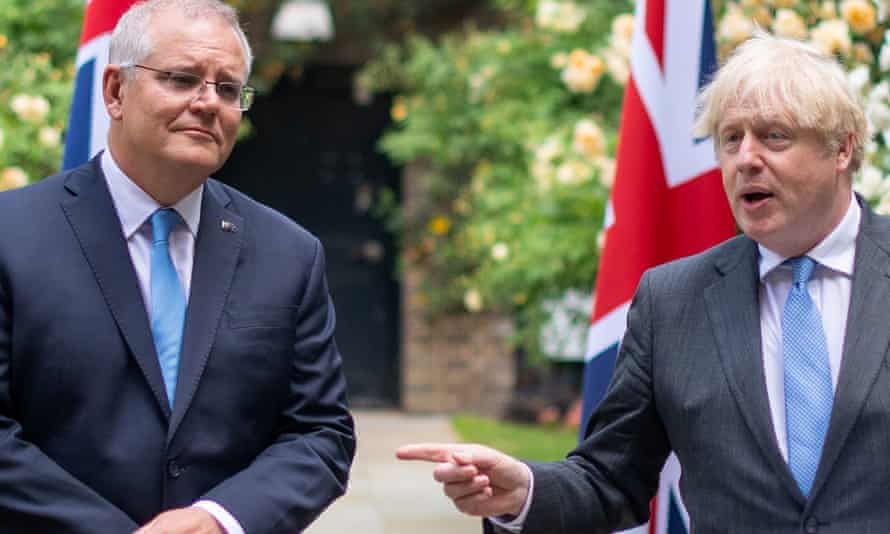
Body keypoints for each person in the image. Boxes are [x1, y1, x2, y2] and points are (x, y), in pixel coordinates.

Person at [398, 32, 890, 533]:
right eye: (730, 138)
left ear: (842, 149)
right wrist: (522, 492)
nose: (746, 159)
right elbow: (610, 479)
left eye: (774, 136)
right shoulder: (673, 301)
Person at [0, 1, 355, 532]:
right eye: (182, 78)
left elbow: (321, 434)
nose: (208, 102)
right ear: (116, 91)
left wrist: (217, 520)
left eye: (229, 88)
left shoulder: (289, 254)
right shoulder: (12, 235)